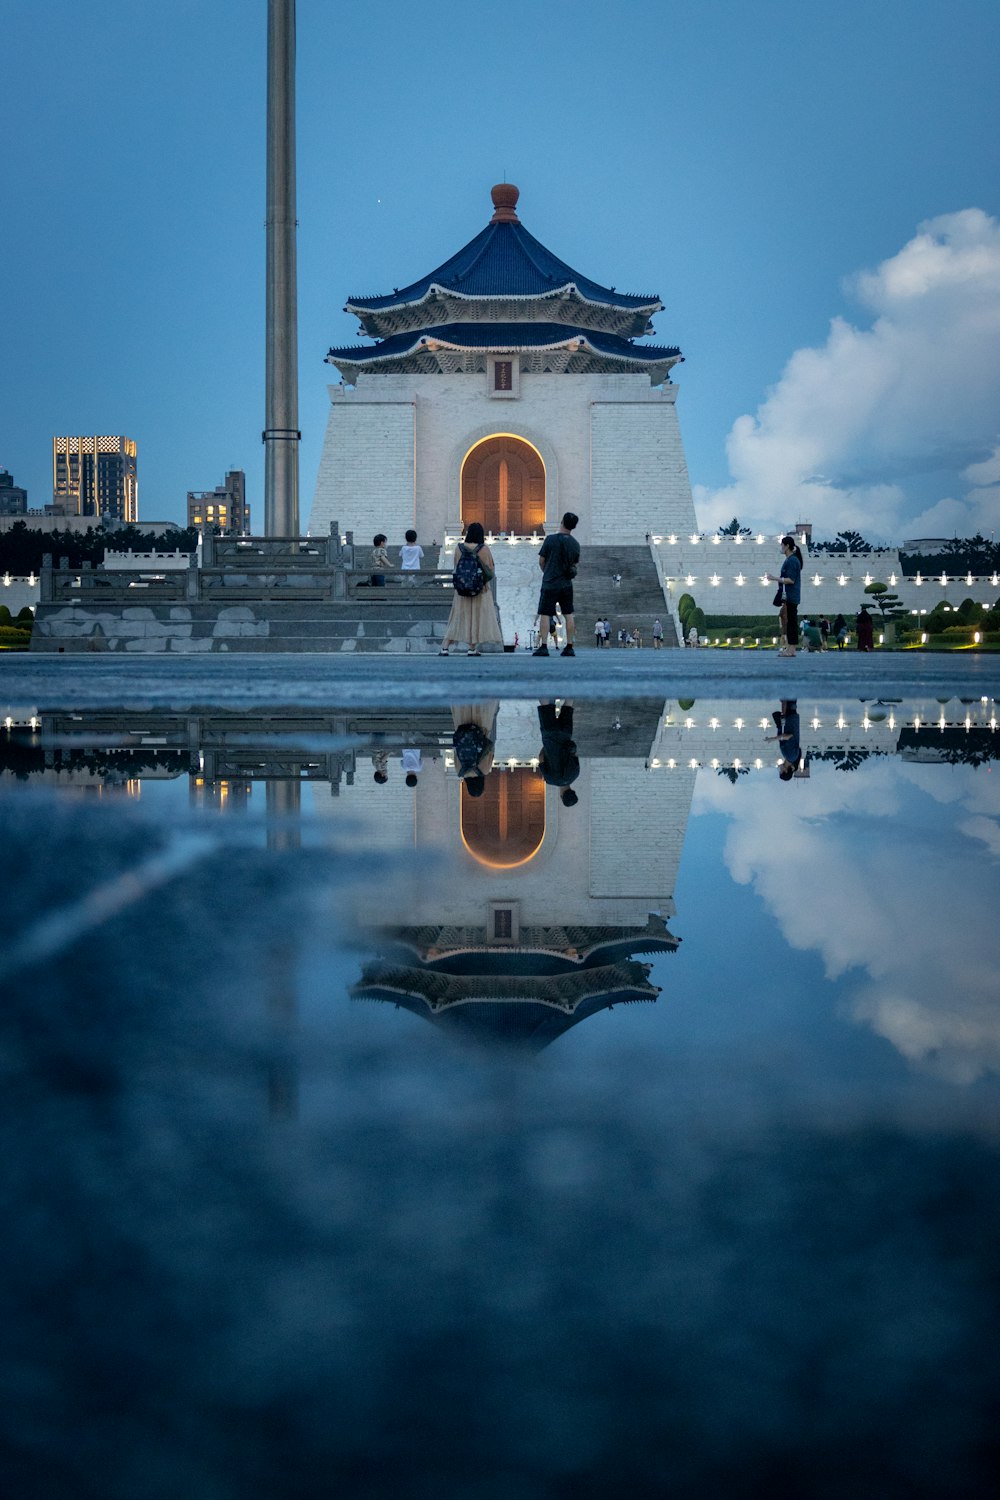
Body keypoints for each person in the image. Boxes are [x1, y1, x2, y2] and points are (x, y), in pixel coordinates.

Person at [439, 521, 502, 657]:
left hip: (462, 590)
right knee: (477, 618)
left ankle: (445, 646)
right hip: (480, 589)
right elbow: (490, 569)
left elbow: (456, 567)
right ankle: (472, 647)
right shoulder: (483, 549)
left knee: (458, 617)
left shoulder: (458, 548)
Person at [533, 512, 580, 657]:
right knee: (568, 614)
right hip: (566, 583)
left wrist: (546, 572)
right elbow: (574, 564)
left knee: (546, 614)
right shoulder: (575, 544)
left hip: (550, 582)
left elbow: (541, 561)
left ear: (561, 522)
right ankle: (570, 646)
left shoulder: (550, 540)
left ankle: (544, 646)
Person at [535, 700, 580, 806]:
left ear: (573, 791)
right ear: (561, 796)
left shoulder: (575, 774)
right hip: (549, 735)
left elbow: (574, 754)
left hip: (566, 733)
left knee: (568, 705)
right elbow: (541, 758)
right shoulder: (550, 779)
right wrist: (547, 746)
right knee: (545, 705)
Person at [451, 701, 497, 797]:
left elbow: (490, 749)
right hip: (461, 724)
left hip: (481, 726)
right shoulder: (459, 770)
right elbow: (455, 750)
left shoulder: (484, 770)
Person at [767, 536, 803, 657]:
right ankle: (790, 648)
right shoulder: (790, 559)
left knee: (791, 623)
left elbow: (791, 580)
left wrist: (774, 578)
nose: (781, 548)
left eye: (782, 545)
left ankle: (791, 650)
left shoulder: (792, 560)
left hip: (791, 596)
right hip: (789, 596)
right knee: (790, 622)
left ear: (787, 546)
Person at [766, 699, 802, 780]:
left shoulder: (788, 757)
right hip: (790, 721)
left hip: (789, 720)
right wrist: (773, 739)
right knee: (790, 695)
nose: (779, 769)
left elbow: (784, 738)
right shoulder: (790, 756)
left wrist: (779, 726)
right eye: (780, 771)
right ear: (785, 771)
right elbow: (789, 736)